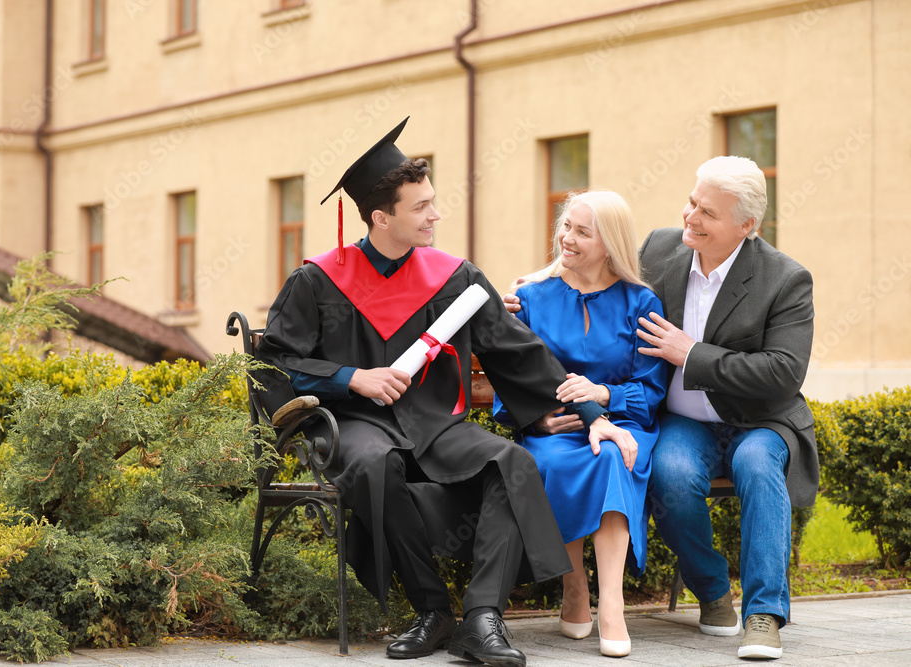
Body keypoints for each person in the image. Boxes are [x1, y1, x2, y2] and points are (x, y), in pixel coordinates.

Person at [255, 117, 636, 667]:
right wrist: (350, 378)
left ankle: (483, 619)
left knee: (510, 462)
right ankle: (433, 611)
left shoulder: (453, 278)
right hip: (352, 423)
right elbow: (273, 363)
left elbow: (517, 352)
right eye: (421, 207)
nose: (436, 214)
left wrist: (589, 409)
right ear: (381, 217)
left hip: (433, 424)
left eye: (434, 202)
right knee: (373, 464)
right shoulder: (318, 281)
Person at [635, 156, 817, 660]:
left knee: (758, 466)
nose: (691, 217)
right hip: (685, 422)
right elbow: (601, 280)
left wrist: (691, 354)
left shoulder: (785, 279)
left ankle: (764, 614)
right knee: (668, 472)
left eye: (707, 213)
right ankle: (713, 592)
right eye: (692, 202)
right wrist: (534, 290)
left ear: (746, 226)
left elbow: (783, 371)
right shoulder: (658, 247)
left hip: (760, 421)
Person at [495, 190, 666, 658]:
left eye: (582, 232)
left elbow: (651, 391)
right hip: (554, 429)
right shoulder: (530, 297)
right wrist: (538, 418)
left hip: (622, 423)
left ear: (609, 243)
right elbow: (512, 379)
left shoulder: (641, 302)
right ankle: (575, 588)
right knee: (552, 461)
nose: (566, 238)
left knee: (611, 455)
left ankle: (611, 602)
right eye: (566, 226)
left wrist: (603, 394)